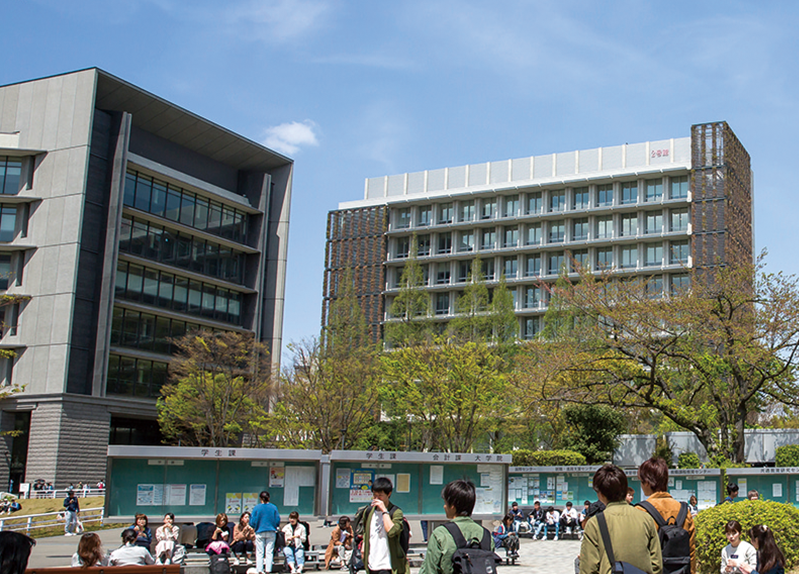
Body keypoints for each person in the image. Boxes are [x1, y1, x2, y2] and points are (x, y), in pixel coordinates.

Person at [579, 464, 662, 574]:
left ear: (600, 494)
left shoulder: (595, 523)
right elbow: (657, 565)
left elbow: (588, 569)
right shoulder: (646, 519)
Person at [419, 479, 495, 574]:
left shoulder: (441, 534)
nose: (444, 506)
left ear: (452, 506)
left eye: (445, 502)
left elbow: (430, 570)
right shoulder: (486, 536)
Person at [636, 457, 695, 573]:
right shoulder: (684, 510)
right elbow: (691, 551)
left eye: (641, 481)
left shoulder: (641, 511)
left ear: (647, 483)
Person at [361, 476, 407, 574]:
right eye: (374, 495)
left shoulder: (395, 512)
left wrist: (384, 511)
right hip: (372, 563)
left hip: (388, 564)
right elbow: (366, 531)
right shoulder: (369, 511)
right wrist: (364, 546)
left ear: (389, 494)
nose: (377, 498)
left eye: (380, 495)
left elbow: (391, 531)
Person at [250, 490, 281, 574]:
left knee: (259, 552)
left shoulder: (257, 508)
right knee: (269, 552)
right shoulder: (274, 507)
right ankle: (268, 570)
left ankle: (259, 570)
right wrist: (274, 526)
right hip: (271, 531)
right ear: (269, 498)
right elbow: (277, 520)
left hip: (260, 531)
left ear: (260, 498)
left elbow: (252, 521)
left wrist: (255, 526)